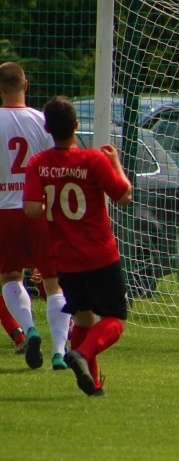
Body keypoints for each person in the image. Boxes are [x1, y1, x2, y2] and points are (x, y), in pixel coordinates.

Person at [23, 95, 133, 396]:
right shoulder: (93, 159)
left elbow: (32, 209)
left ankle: (93, 384)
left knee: (83, 316)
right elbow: (124, 195)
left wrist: (49, 198)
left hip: (66, 260)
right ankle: (81, 354)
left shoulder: (39, 163)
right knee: (115, 320)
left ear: (47, 129)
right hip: (99, 254)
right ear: (76, 125)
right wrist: (117, 164)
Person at [0, 61, 71, 370]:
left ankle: (28, 329)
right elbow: (58, 169)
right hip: (39, 210)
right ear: (25, 85)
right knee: (54, 283)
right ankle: (58, 351)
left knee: (11, 277)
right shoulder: (42, 122)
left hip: (4, 211)